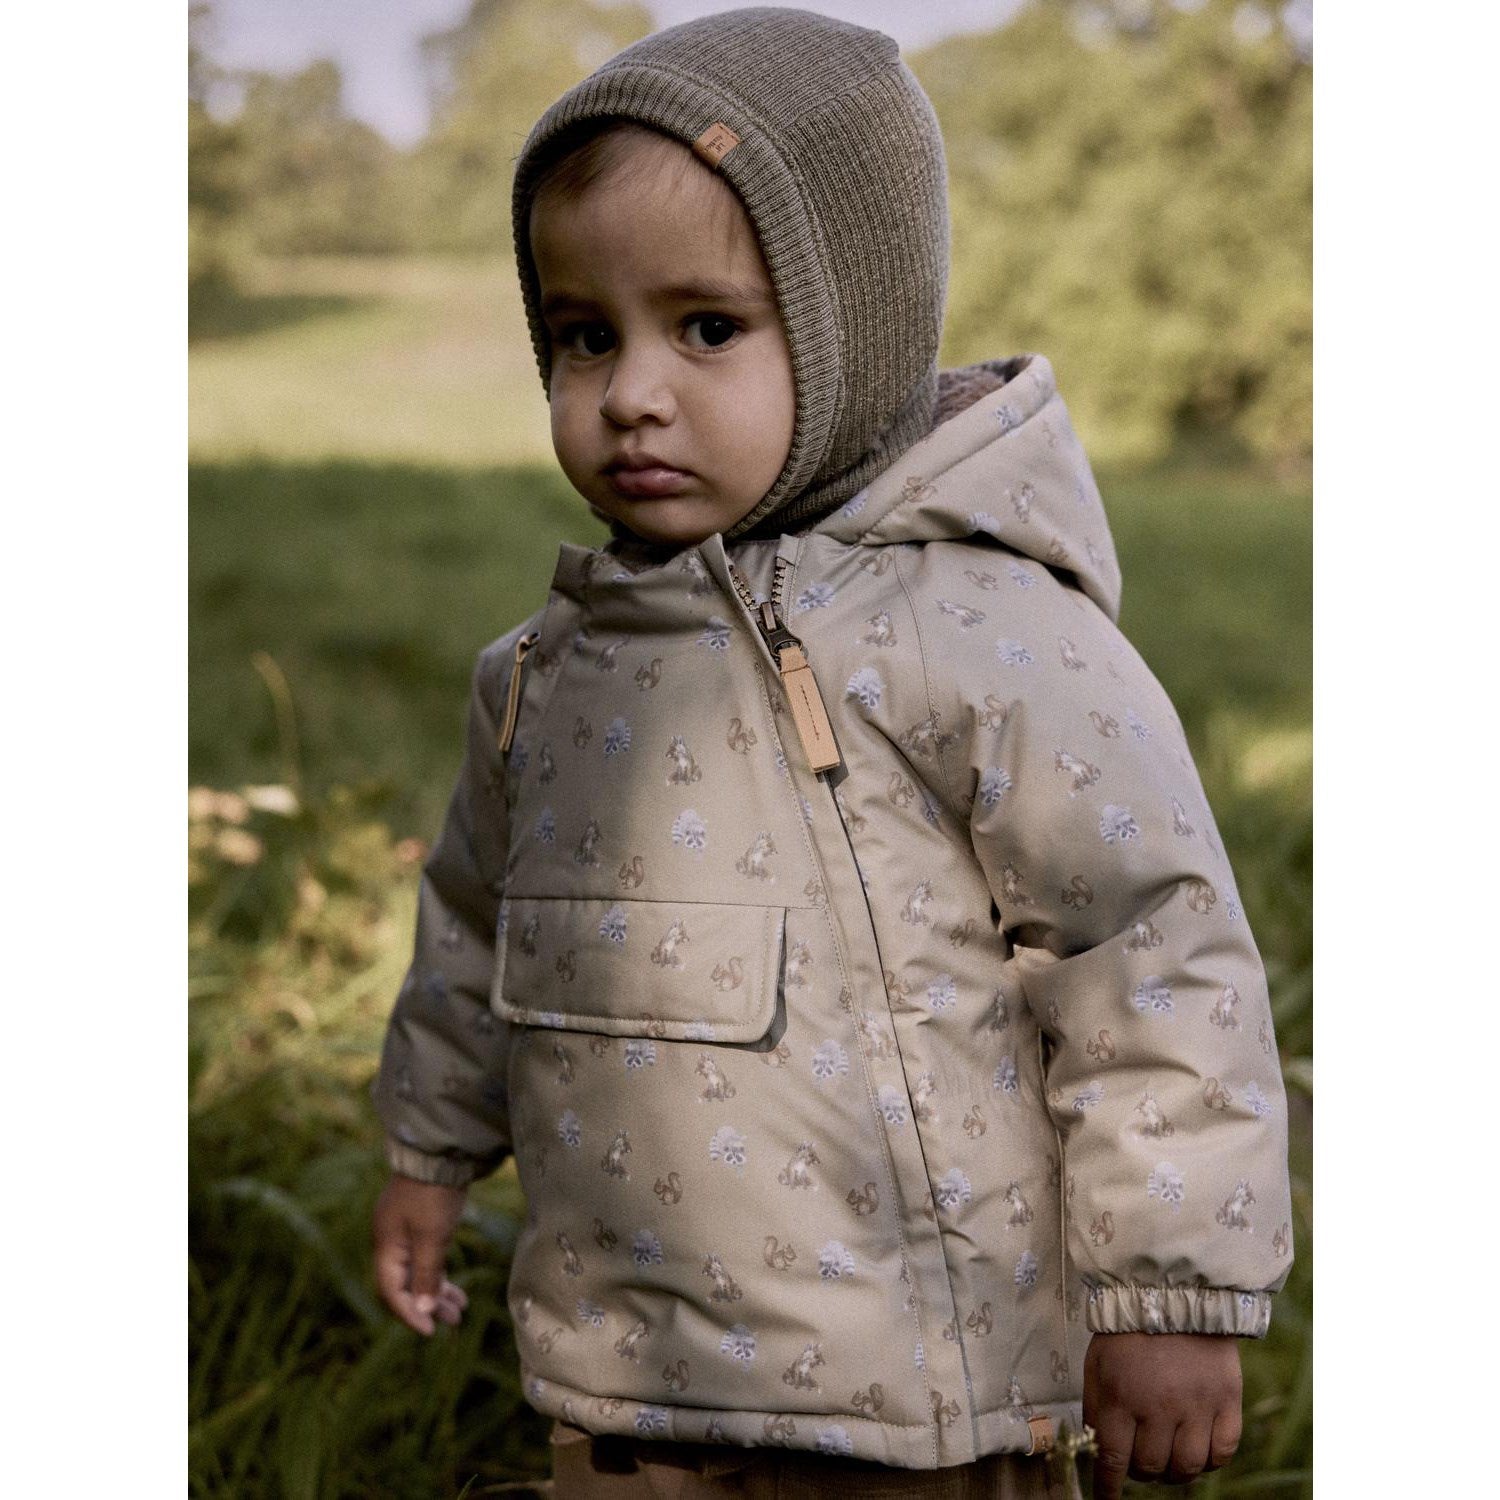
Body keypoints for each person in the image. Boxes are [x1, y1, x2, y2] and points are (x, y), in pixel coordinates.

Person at [369, 9, 1294, 1497]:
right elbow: (473, 929)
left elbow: (1148, 951)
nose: (632, 393)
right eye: (586, 335)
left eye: (707, 328)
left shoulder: (986, 634)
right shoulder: (539, 676)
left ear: (851, 328)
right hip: (626, 1386)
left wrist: (1168, 1292)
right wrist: (427, 1153)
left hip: (923, 1401)